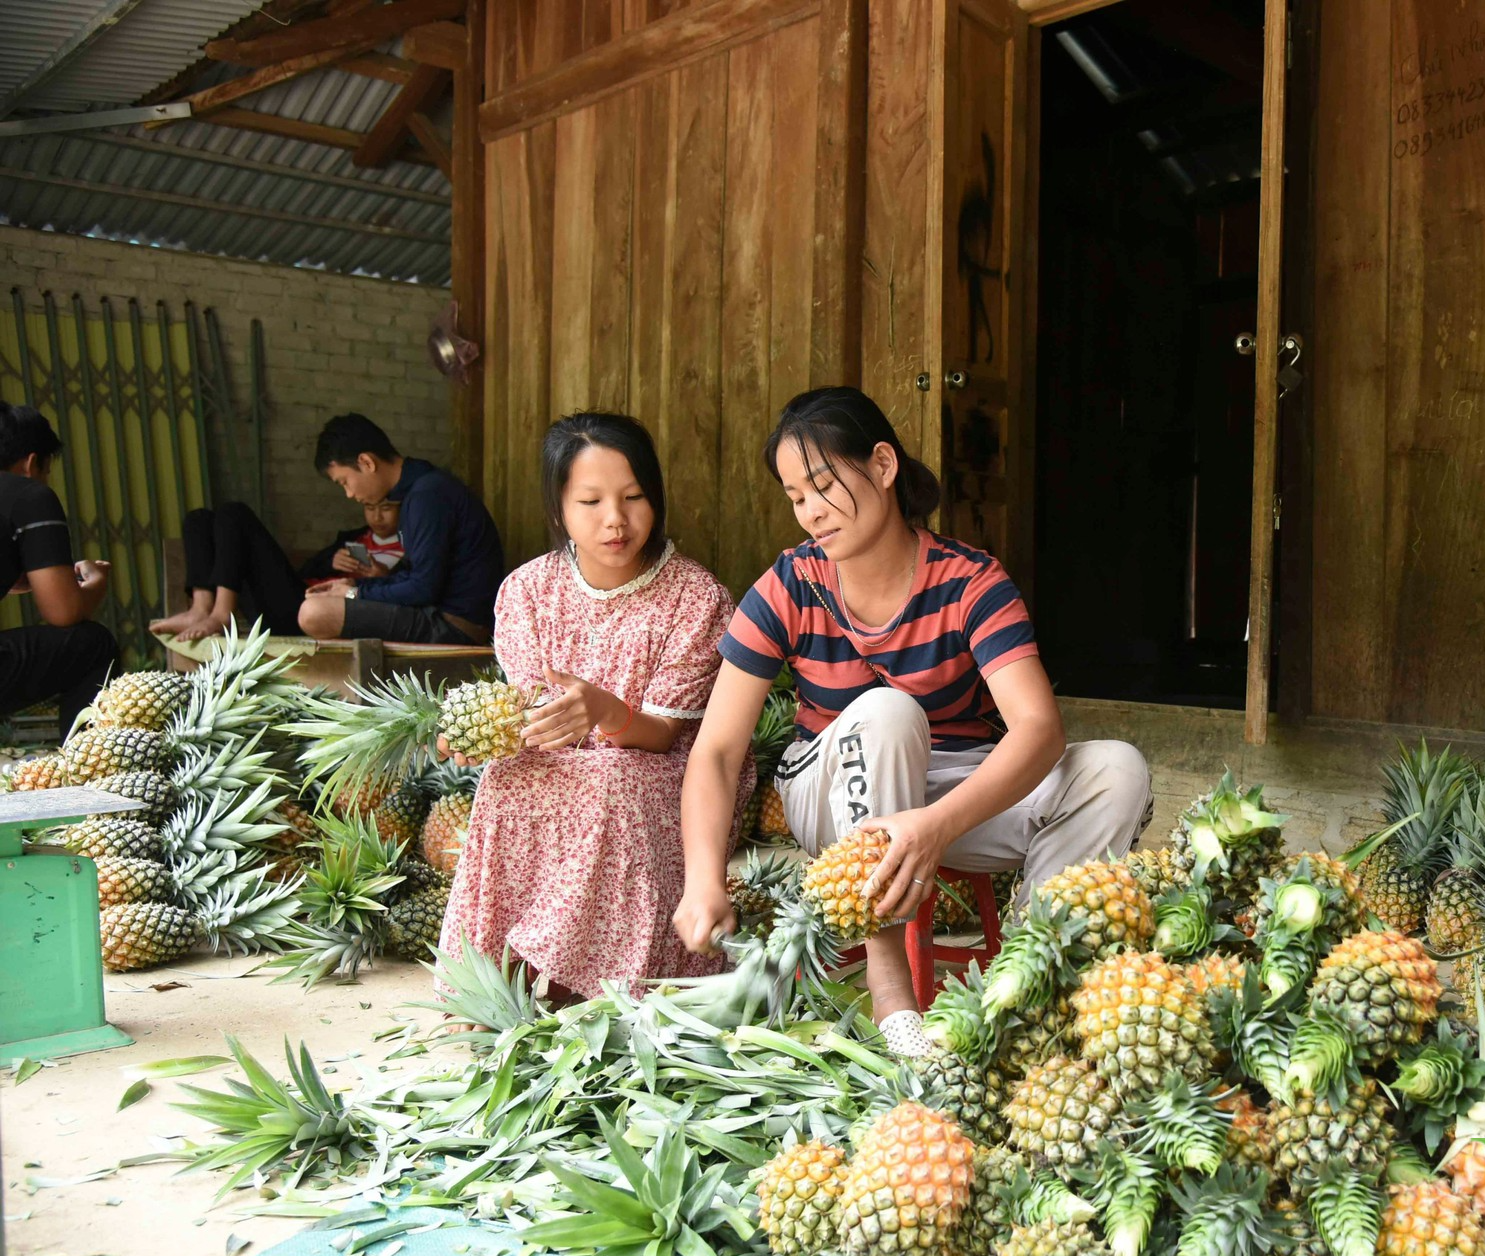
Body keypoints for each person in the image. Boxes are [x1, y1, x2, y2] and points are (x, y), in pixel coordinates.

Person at [675, 386, 1153, 1057]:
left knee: (1116, 770)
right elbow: (719, 749)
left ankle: (1024, 975)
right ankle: (888, 974)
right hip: (834, 791)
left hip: (952, 795)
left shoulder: (970, 583)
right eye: (794, 495)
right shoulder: (790, 585)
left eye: (821, 485)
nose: (810, 511)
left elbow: (1039, 729)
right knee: (888, 712)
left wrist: (938, 824)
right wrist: (702, 876)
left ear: (882, 464)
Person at [435, 412, 754, 997]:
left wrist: (607, 711)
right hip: (565, 759)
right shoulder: (527, 591)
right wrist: (473, 735)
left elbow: (665, 733)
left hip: (667, 767)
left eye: (633, 497)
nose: (616, 519)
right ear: (560, 510)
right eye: (590, 501)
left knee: (609, 779)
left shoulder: (696, 597)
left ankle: (581, 980)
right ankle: (495, 974)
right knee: (504, 781)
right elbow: (527, 715)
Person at [297, 414, 504, 645]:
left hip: (456, 625)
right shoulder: (417, 491)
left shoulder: (428, 495)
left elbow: (423, 589)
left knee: (314, 613)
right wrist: (354, 585)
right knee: (320, 606)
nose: (349, 494)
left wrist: (354, 594)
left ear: (366, 462)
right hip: (436, 613)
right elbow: (416, 577)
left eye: (344, 482)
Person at [0, 402, 117, 731]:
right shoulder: (29, 495)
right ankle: (81, 767)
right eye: (46, 471)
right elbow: (63, 613)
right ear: (31, 463)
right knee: (93, 645)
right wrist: (96, 584)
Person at [149, 497, 403, 641]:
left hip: (310, 616)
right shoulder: (355, 537)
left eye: (386, 508)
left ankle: (221, 614)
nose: (377, 517)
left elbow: (410, 591)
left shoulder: (410, 547)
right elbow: (305, 570)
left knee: (234, 513)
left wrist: (383, 576)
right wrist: (330, 561)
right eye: (370, 508)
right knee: (198, 519)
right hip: (297, 595)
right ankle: (200, 607)